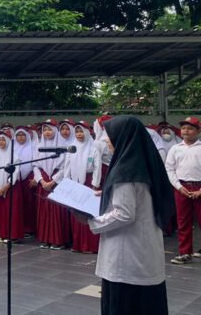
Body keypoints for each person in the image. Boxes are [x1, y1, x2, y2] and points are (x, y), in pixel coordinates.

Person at [74, 115, 174, 315]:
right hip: (144, 247)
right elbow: (139, 198)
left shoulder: (125, 172)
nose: (107, 140)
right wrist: (108, 193)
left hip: (127, 253)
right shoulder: (142, 163)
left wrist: (92, 221)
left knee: (125, 304)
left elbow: (124, 213)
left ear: (123, 137)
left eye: (111, 136)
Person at [54, 121, 101, 253]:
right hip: (75, 184)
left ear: (87, 132)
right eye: (77, 132)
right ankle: (78, 244)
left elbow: (97, 168)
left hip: (89, 183)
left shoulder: (93, 148)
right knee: (77, 215)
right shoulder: (72, 148)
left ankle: (91, 246)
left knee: (88, 214)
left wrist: (95, 184)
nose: (79, 134)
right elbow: (67, 166)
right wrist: (66, 183)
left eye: (81, 131)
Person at [164, 116, 201, 264]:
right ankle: (185, 252)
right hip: (182, 187)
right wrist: (179, 187)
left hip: (199, 187)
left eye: (190, 128)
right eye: (184, 128)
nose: (186, 131)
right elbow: (169, 169)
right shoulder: (175, 148)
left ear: (198, 131)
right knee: (183, 221)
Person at [35, 119, 70, 250]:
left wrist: (53, 181)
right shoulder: (39, 146)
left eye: (50, 129)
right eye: (45, 130)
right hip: (43, 182)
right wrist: (41, 181)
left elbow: (65, 167)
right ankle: (45, 239)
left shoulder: (63, 146)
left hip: (57, 182)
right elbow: (35, 166)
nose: (47, 132)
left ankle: (58, 240)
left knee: (57, 211)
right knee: (44, 211)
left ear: (55, 130)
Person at [0, 131, 23, 243]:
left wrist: (6, 186)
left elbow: (15, 172)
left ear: (8, 142)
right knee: (0, 211)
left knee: (11, 211)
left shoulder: (14, 156)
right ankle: (1, 234)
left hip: (11, 187)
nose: (1, 142)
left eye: (3, 140)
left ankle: (12, 235)